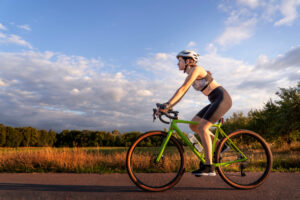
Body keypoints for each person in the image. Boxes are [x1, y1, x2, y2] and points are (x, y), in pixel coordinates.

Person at [158, 50, 232, 176]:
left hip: (223, 99)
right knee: (193, 125)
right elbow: (181, 94)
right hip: (214, 101)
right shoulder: (190, 75)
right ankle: (221, 145)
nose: (177, 64)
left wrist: (168, 104)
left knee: (202, 127)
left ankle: (209, 166)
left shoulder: (197, 69)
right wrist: (168, 106)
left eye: (179, 60)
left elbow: (182, 89)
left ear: (188, 61)